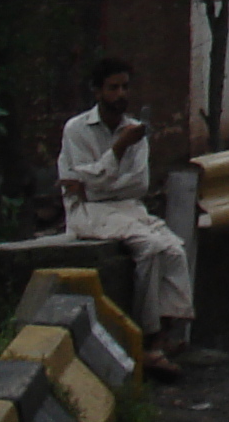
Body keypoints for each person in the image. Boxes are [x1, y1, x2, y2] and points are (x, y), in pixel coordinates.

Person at [59, 58, 192, 378]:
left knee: (173, 248)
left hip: (126, 206)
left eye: (124, 87)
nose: (120, 94)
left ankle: (165, 332)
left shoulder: (135, 131)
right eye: (113, 87)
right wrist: (117, 150)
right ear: (97, 91)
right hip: (88, 212)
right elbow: (79, 184)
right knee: (148, 247)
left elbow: (137, 183)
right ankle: (147, 340)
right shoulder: (77, 129)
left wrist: (95, 180)